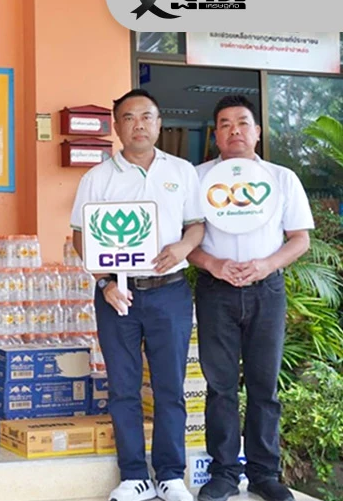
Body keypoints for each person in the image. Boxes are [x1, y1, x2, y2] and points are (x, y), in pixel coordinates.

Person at [69, 89, 204, 501]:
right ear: (116, 127)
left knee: (169, 387)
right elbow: (80, 237)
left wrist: (183, 248)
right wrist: (105, 283)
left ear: (159, 124)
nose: (138, 125)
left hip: (170, 292)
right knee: (124, 387)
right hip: (117, 294)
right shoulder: (97, 178)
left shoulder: (182, 171)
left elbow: (196, 225)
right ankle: (133, 476)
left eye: (147, 116)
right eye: (129, 118)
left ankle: (170, 475)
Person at [188, 96, 312, 501]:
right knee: (220, 386)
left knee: (264, 386)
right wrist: (212, 263)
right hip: (216, 291)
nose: (234, 130)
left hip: (267, 291)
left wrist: (266, 264)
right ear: (216, 135)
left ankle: (264, 474)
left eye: (242, 122)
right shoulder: (197, 179)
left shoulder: (282, 178)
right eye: (224, 124)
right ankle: (224, 473)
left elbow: (300, 239)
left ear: (257, 132)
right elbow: (183, 241)